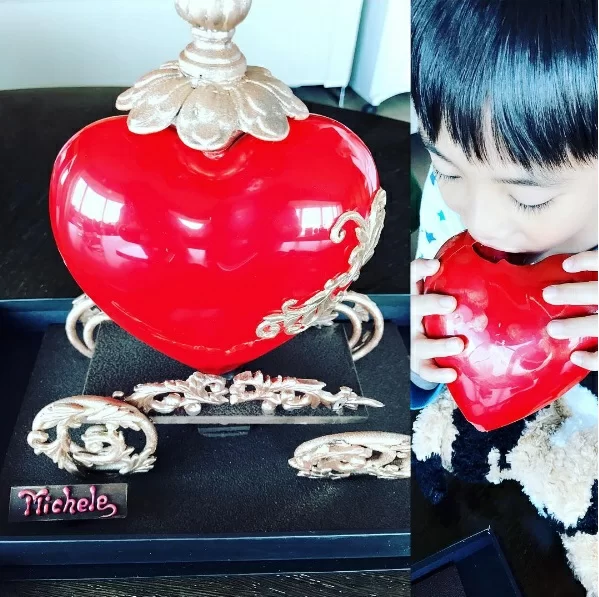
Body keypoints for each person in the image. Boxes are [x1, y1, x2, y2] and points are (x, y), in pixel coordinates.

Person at [411, 0, 598, 408]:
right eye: (447, 171)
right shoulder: (446, 211)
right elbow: (437, 373)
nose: (479, 225)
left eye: (529, 198)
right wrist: (418, 361)